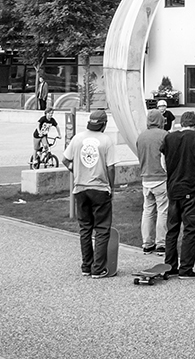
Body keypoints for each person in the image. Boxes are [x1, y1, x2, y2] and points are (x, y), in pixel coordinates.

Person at [65, 108, 119, 277]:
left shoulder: (77, 138)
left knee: (85, 228)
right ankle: (98, 268)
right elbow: (111, 167)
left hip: (80, 188)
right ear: (104, 124)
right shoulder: (106, 140)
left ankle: (86, 266)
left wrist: (76, 171)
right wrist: (111, 187)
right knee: (102, 229)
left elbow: (65, 159)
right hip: (99, 188)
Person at [159, 109, 195, 278]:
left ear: (181, 123)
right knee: (190, 229)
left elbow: (163, 163)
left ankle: (170, 265)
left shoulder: (169, 138)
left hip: (173, 187)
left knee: (172, 229)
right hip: (190, 187)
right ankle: (186, 268)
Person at [135, 107, 170, 254]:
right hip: (161, 178)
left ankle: (147, 243)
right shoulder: (165, 135)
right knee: (162, 210)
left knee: (148, 210)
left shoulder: (141, 137)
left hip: (146, 178)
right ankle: (161, 243)